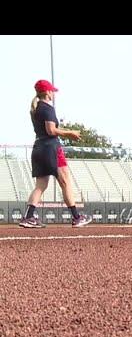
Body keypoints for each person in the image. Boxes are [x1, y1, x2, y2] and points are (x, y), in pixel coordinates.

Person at [19, 80, 92, 228]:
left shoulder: (36, 108)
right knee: (65, 181)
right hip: (51, 148)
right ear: (46, 92)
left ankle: (28, 217)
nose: (53, 93)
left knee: (40, 185)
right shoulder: (47, 108)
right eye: (51, 91)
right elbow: (51, 130)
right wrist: (69, 133)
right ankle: (77, 217)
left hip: (39, 147)